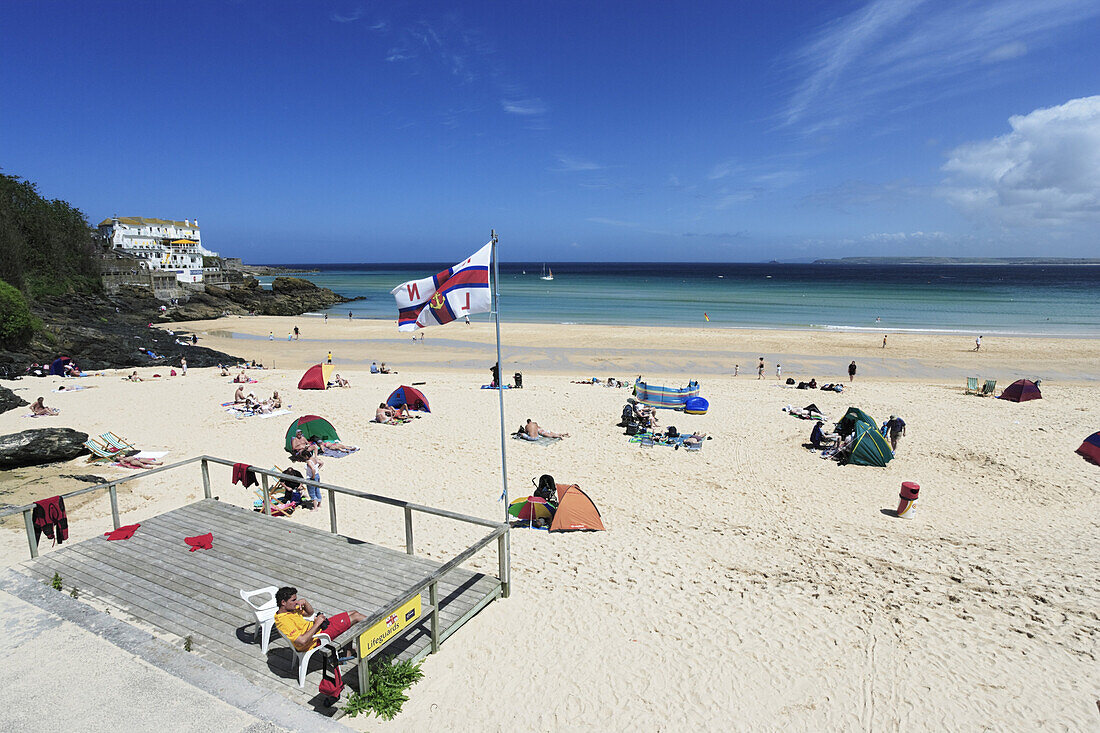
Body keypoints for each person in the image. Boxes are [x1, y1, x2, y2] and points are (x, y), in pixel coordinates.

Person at [273, 587, 366, 651]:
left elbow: (309, 612)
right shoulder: (284, 622)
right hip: (316, 639)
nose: (296, 602)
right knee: (356, 617)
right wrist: (317, 624)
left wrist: (305, 602)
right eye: (293, 600)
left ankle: (348, 651)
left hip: (318, 628)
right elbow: (302, 641)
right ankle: (379, 631)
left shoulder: (290, 610)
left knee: (353, 612)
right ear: (283, 602)